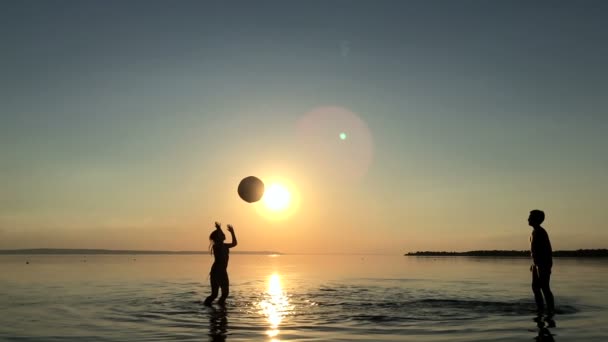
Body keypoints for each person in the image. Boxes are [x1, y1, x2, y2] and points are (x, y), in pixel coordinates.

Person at [528, 209, 555, 316]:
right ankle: (540, 309)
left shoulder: (540, 232)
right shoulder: (535, 231)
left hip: (543, 264)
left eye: (530, 217)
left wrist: (542, 266)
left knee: (544, 287)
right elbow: (534, 250)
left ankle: (550, 310)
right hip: (537, 264)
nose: (528, 219)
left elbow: (546, 250)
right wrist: (534, 265)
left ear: (536, 219)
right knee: (535, 287)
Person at [204, 222, 237, 306]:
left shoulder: (224, 246)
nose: (224, 234)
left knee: (222, 294)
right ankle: (209, 307)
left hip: (221, 271)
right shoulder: (217, 246)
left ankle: (220, 308)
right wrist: (219, 229)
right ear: (218, 238)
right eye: (222, 234)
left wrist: (232, 232)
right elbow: (220, 244)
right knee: (217, 294)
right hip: (217, 272)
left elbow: (234, 243)